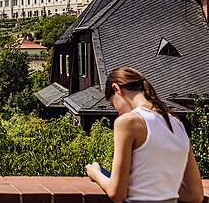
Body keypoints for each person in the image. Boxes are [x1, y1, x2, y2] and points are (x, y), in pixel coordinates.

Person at [86, 66, 203, 203]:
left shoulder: (128, 122)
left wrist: (96, 173)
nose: (118, 113)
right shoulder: (177, 124)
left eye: (114, 104)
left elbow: (116, 193)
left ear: (117, 89)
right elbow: (195, 195)